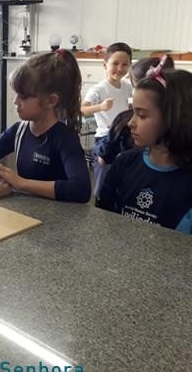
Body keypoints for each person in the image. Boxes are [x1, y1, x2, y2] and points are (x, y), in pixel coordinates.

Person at [0, 50, 91, 203]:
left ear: (50, 101)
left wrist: (21, 183)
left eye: (23, 96)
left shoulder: (65, 138)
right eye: (16, 94)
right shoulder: (18, 131)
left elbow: (81, 189)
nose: (15, 101)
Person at [97, 67, 192, 234]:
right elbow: (104, 215)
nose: (130, 123)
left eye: (142, 115)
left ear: (174, 118)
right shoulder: (124, 162)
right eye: (133, 112)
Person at [95, 55, 175, 166]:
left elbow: (103, 157)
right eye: (115, 63)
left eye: (142, 115)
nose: (131, 123)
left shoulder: (123, 121)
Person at [81, 41, 133, 197]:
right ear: (105, 65)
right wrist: (101, 107)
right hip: (106, 138)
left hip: (125, 135)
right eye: (115, 63)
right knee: (103, 178)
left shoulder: (127, 86)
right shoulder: (98, 89)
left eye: (125, 64)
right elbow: (82, 109)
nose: (120, 68)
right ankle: (99, 202)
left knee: (124, 175)